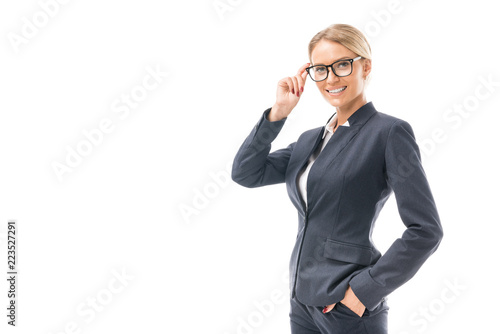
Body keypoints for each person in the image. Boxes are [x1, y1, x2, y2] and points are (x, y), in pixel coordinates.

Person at [231, 23, 443, 334]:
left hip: (349, 309)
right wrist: (278, 113)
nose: (331, 78)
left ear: (365, 66)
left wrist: (363, 292)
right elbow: (246, 172)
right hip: (302, 302)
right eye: (320, 69)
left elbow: (426, 230)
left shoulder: (388, 133)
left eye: (342, 65)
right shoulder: (308, 140)